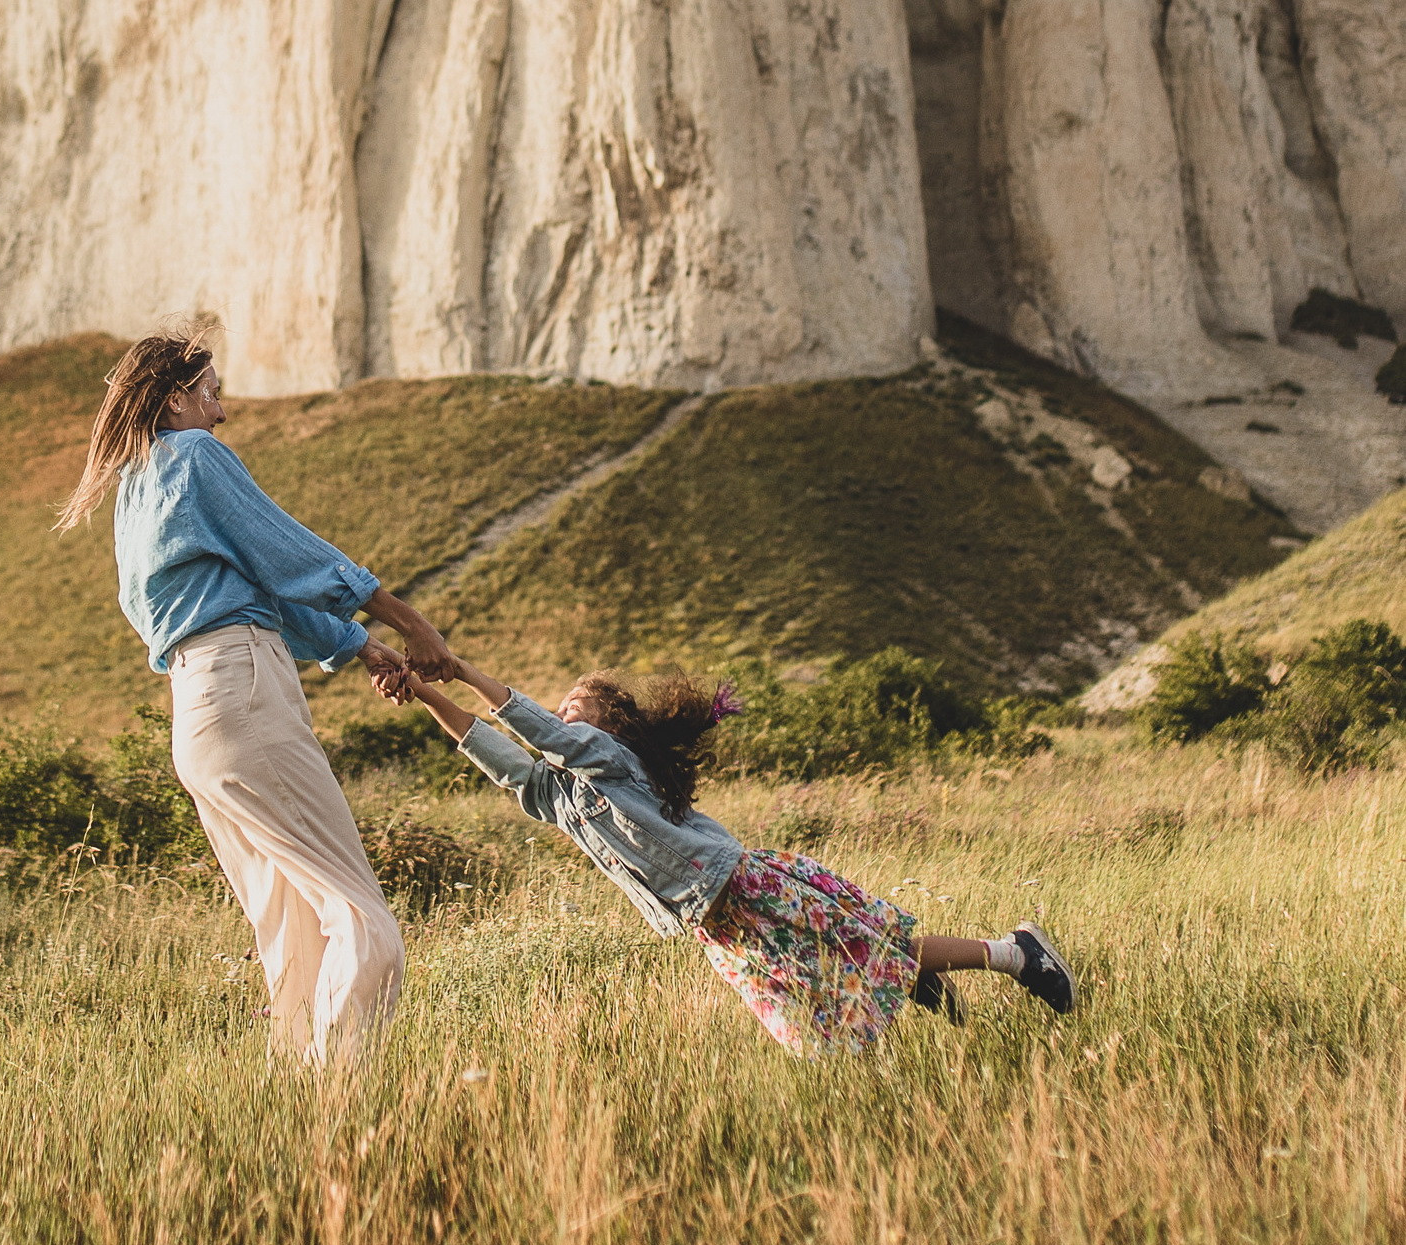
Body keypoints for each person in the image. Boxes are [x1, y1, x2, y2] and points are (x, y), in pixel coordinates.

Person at [56, 325, 453, 1063]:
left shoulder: (136, 488)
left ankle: (298, 1102)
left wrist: (360, 646)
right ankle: (341, 1094)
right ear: (175, 402)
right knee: (364, 922)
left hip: (198, 711)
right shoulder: (196, 455)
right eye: (211, 394)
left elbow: (247, 584)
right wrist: (408, 621)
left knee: (292, 931)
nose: (221, 413)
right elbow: (288, 552)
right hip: (242, 689)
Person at [392, 654, 1077, 1057]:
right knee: (804, 1031)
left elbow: (536, 730)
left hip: (741, 884)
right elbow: (505, 762)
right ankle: (906, 989)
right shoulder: (564, 796)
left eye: (576, 707)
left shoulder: (611, 758)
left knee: (881, 950)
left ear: (613, 725)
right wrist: (424, 692)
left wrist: (454, 667)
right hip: (709, 922)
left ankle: (1016, 952)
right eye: (563, 707)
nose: (564, 715)